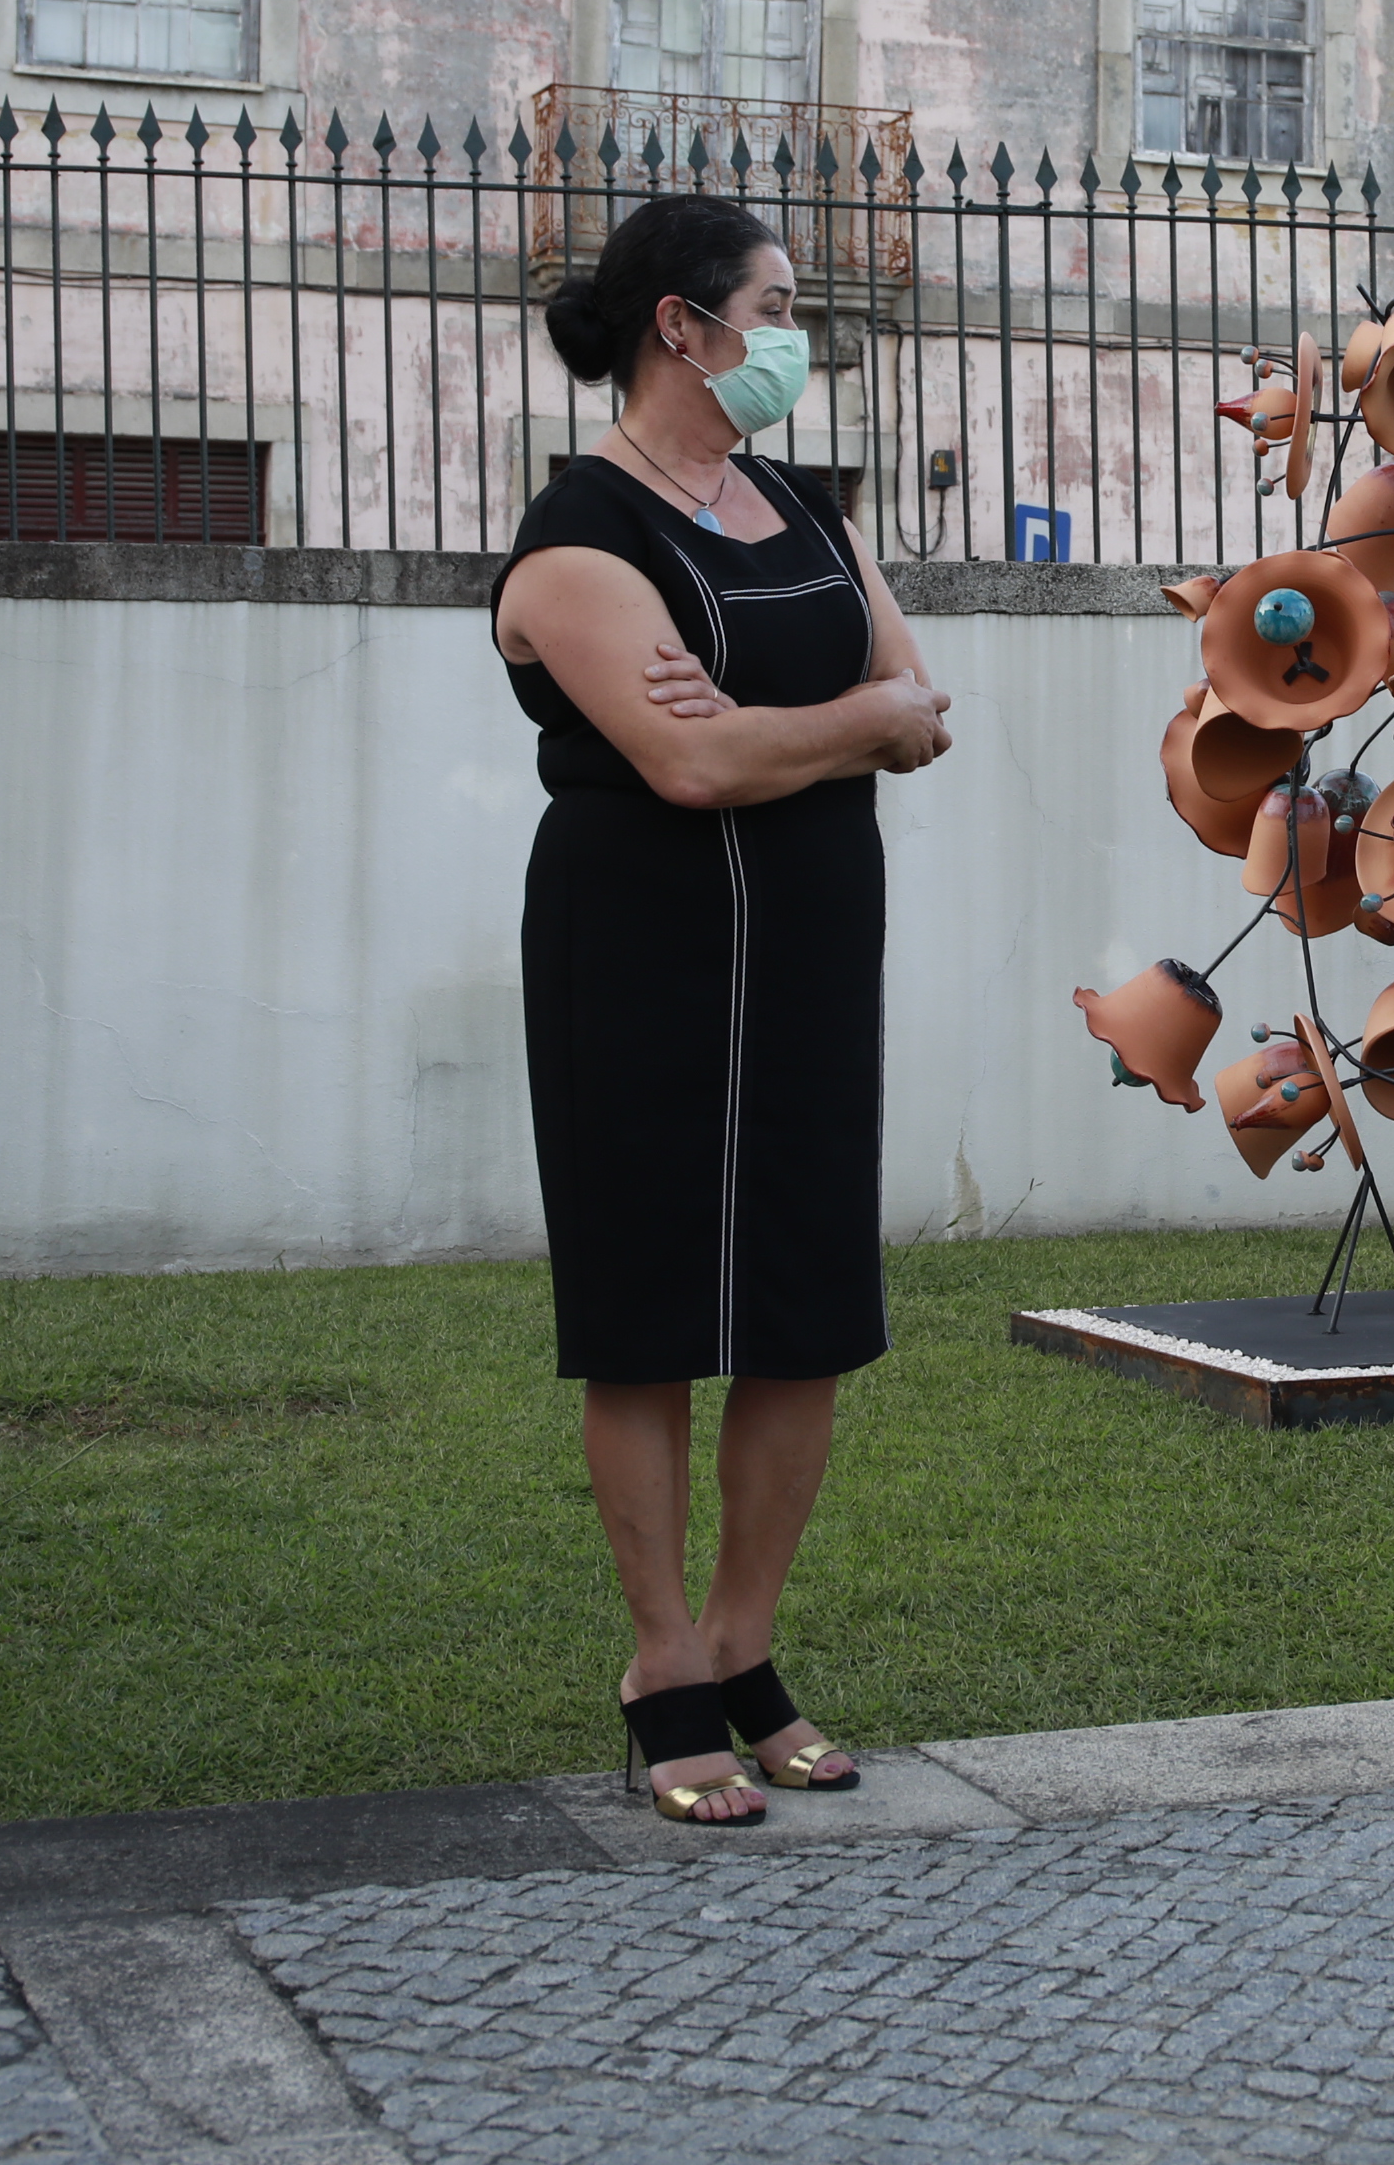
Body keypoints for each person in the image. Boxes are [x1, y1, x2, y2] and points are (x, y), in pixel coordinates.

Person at [491, 192, 952, 1826]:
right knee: (652, 1312)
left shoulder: (814, 510)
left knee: (803, 1309)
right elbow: (686, 762)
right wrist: (843, 719)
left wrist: (801, 721)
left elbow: (922, 709)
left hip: (816, 943)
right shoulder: (577, 538)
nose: (796, 330)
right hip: (639, 952)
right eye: (773, 301)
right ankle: (663, 1659)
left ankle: (750, 1649)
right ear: (683, 327)